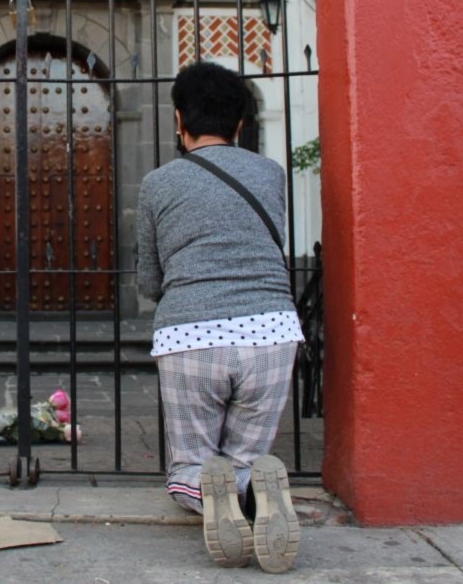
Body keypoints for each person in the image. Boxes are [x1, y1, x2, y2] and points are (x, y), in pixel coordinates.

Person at [136, 61, 304, 573]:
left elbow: (148, 280)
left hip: (191, 332)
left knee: (191, 463)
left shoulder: (158, 184)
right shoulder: (270, 173)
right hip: (272, 329)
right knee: (246, 457)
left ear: (179, 120)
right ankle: (254, 491)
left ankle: (212, 497)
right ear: (239, 124)